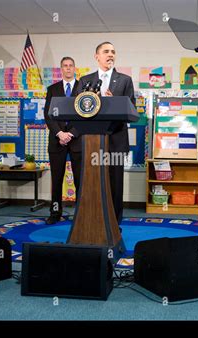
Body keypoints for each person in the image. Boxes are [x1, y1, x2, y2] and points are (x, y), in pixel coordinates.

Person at [77, 42, 135, 224]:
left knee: (115, 183)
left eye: (113, 52)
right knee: (91, 181)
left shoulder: (125, 80)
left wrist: (115, 103)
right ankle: (91, 219)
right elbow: (77, 108)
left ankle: (115, 222)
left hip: (116, 140)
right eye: (106, 51)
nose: (110, 55)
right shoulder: (85, 81)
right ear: (97, 56)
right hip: (91, 141)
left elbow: (132, 111)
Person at [44, 57, 81, 225]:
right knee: (57, 178)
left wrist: (71, 134)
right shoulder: (52, 89)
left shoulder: (82, 89)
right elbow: (48, 115)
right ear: (61, 69)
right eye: (65, 66)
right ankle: (55, 212)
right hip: (57, 140)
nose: (68, 68)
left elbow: (86, 116)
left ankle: (81, 212)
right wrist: (60, 133)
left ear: (74, 68)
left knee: (80, 179)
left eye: (70, 65)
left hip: (77, 140)